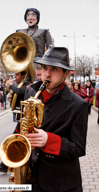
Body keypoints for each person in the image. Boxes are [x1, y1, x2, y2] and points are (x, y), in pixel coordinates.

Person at [23, 45, 88, 191]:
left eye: (54, 69)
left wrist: (48, 140)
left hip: (61, 182)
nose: (47, 74)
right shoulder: (31, 92)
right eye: (45, 68)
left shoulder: (78, 105)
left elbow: (78, 148)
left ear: (65, 73)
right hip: (32, 177)